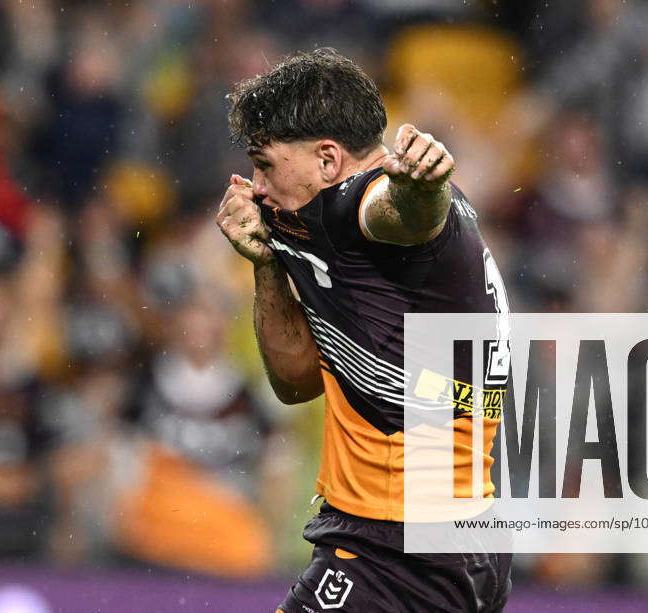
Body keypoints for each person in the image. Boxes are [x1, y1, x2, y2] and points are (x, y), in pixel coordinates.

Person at [216, 48, 512, 612]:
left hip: (403, 549)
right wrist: (267, 265)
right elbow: (296, 381)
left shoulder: (365, 204)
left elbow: (401, 213)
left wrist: (423, 187)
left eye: (266, 164)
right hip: (445, 536)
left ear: (328, 159)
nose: (255, 186)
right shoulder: (318, 221)